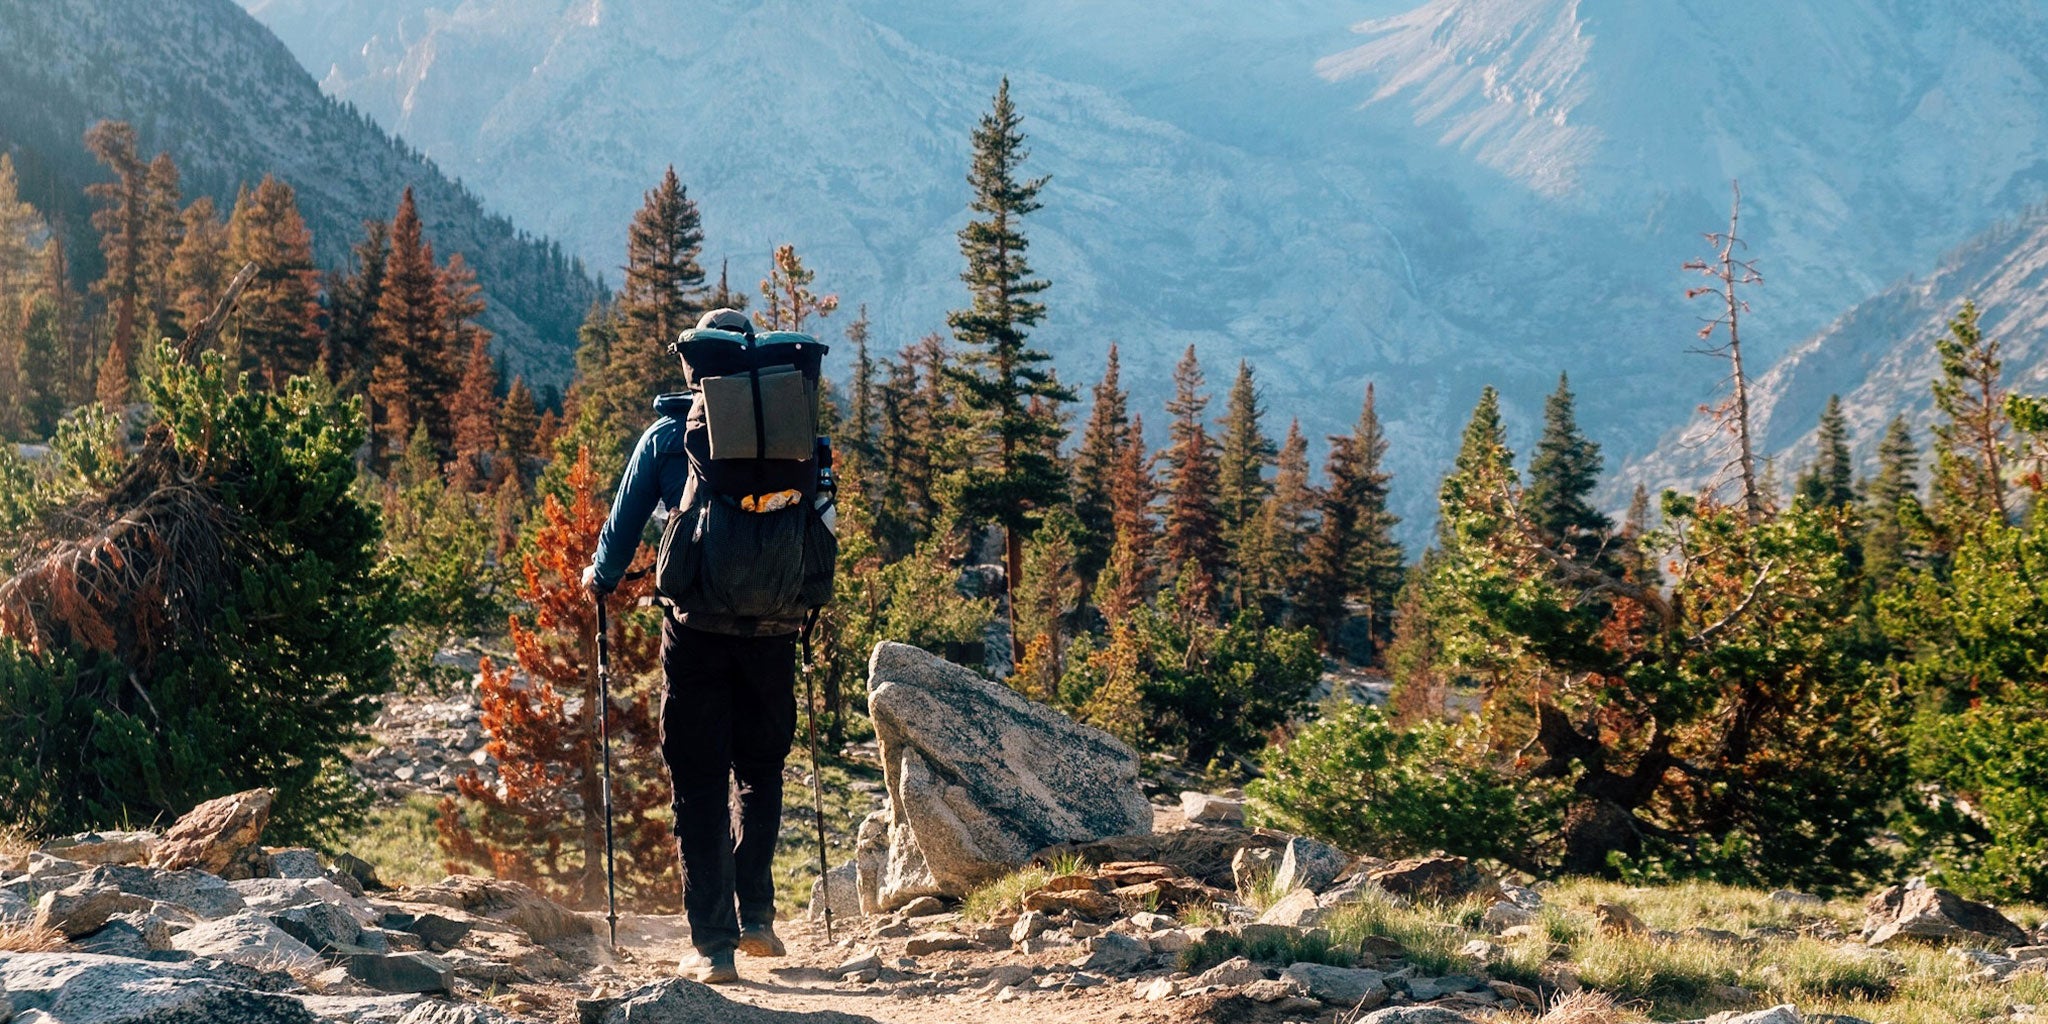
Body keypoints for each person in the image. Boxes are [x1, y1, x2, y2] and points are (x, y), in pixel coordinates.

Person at [582, 308, 803, 984]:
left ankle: (713, 946)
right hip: (774, 625)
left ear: (694, 365)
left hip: (695, 629)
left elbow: (621, 532)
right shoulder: (795, 429)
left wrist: (600, 577)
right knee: (759, 770)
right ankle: (759, 915)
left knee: (700, 778)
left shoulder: (667, 436)